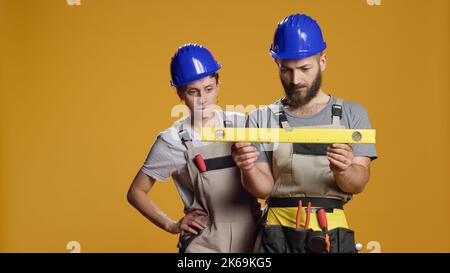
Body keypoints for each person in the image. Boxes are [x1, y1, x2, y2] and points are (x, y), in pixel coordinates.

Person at [231, 14, 378, 253]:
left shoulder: (353, 114)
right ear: (277, 65)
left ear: (323, 61)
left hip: (331, 230)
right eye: (286, 70)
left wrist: (345, 169)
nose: (295, 79)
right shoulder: (260, 118)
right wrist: (246, 166)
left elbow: (358, 182)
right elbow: (263, 188)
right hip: (277, 231)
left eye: (304, 68)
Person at [127, 43, 259, 253]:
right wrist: (171, 225)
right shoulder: (172, 141)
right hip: (205, 244)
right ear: (180, 93)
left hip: (253, 238)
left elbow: (268, 176)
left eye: (209, 89)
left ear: (218, 85)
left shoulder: (242, 125)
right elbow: (136, 192)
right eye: (192, 91)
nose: (203, 99)